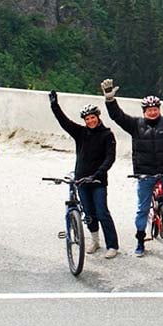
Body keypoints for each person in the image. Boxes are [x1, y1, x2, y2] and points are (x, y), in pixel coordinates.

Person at [102, 76, 163, 258]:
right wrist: (110, 100)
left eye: (155, 109)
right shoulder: (135, 125)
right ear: (144, 111)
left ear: (158, 110)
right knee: (142, 209)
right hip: (145, 174)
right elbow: (117, 116)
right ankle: (140, 239)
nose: (152, 112)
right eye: (149, 110)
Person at [49, 91, 120, 258]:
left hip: (98, 181)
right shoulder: (81, 133)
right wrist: (54, 105)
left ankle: (112, 245)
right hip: (81, 180)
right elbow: (64, 122)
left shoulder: (107, 135)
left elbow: (110, 158)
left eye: (92, 117)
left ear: (98, 117)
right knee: (88, 214)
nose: (90, 121)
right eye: (87, 119)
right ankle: (95, 241)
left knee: (102, 212)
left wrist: (98, 174)